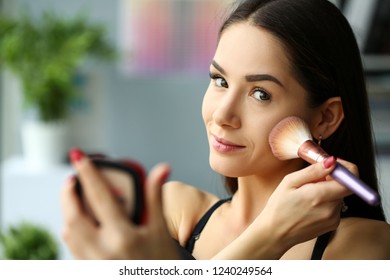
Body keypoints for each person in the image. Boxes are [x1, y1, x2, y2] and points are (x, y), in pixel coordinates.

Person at [61, 0, 390, 260]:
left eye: (260, 94)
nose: (222, 114)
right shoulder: (173, 209)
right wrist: (268, 236)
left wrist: (270, 236)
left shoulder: (364, 247)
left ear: (325, 118)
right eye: (220, 81)